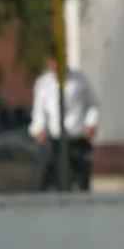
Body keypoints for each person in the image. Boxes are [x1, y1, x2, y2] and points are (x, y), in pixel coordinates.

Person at [28, 46, 100, 191]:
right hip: (54, 140)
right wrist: (38, 129)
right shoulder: (44, 83)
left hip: (77, 138)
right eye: (52, 61)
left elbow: (93, 105)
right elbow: (39, 111)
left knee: (81, 180)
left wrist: (90, 124)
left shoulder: (78, 80)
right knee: (52, 181)